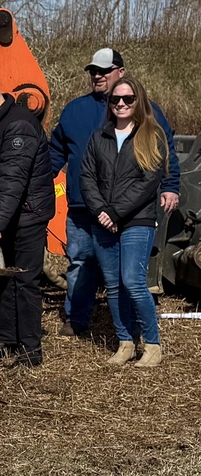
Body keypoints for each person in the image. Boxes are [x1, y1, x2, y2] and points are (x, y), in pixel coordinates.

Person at [48, 48, 179, 337]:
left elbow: (164, 151)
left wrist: (170, 186)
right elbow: (56, 151)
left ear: (120, 72)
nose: (97, 75)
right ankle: (78, 318)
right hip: (84, 207)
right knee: (81, 260)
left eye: (104, 71)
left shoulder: (147, 110)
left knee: (128, 274)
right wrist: (39, 184)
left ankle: (134, 329)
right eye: (93, 71)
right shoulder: (75, 110)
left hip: (130, 210)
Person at [0, 72, 56, 366]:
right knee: (3, 279)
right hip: (7, 214)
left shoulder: (19, 125)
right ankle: (6, 341)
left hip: (28, 215)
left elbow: (13, 180)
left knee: (25, 282)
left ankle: (30, 351)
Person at [81, 76, 166, 367]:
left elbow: (148, 182)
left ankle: (152, 345)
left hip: (137, 220)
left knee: (132, 280)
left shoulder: (151, 135)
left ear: (137, 101)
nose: (120, 104)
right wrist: (102, 212)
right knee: (114, 285)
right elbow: (87, 178)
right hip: (103, 220)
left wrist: (115, 212)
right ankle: (125, 342)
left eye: (127, 99)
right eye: (115, 99)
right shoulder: (98, 136)